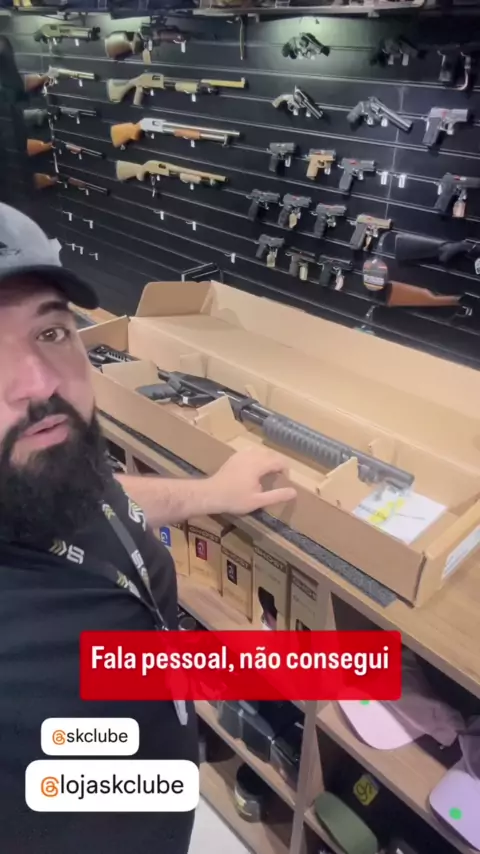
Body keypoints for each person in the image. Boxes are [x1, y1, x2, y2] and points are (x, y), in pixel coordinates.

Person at [0, 203, 296, 854]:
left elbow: (102, 497)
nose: (39, 384)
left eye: (50, 332)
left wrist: (210, 493)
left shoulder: (40, 476)